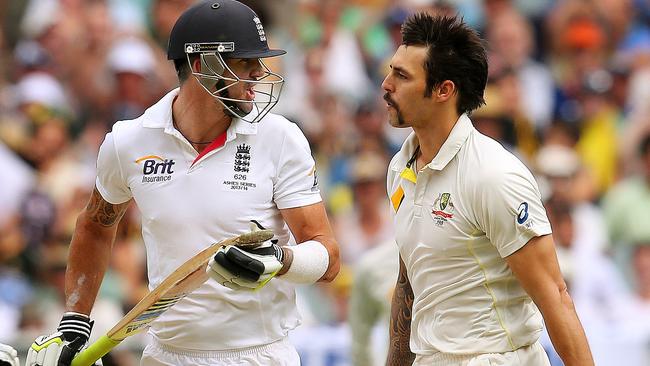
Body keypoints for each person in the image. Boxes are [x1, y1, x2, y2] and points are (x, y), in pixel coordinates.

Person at [25, 1, 340, 365]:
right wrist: (75, 323)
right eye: (244, 63)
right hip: (167, 355)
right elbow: (95, 225)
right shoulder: (129, 141)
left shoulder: (281, 138)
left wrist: (281, 260)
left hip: (259, 354)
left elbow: (328, 258)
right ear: (200, 64)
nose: (258, 73)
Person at [381, 13, 593, 366]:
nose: (386, 84)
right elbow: (409, 285)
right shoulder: (400, 167)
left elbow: (555, 296)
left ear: (443, 90)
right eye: (392, 70)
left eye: (402, 76)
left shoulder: (493, 175)